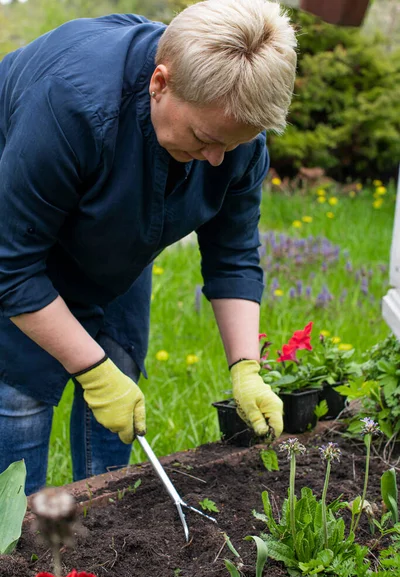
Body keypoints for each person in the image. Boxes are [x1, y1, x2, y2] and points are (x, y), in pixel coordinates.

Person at [0, 0, 297, 495]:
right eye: (204, 138)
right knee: (22, 394)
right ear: (159, 83)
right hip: (20, 227)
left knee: (119, 362)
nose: (216, 158)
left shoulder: (232, 132)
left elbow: (234, 254)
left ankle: (101, 522)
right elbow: (11, 267)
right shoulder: (73, 103)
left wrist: (246, 368)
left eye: (234, 144)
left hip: (119, 231)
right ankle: (18, 549)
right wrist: (90, 372)